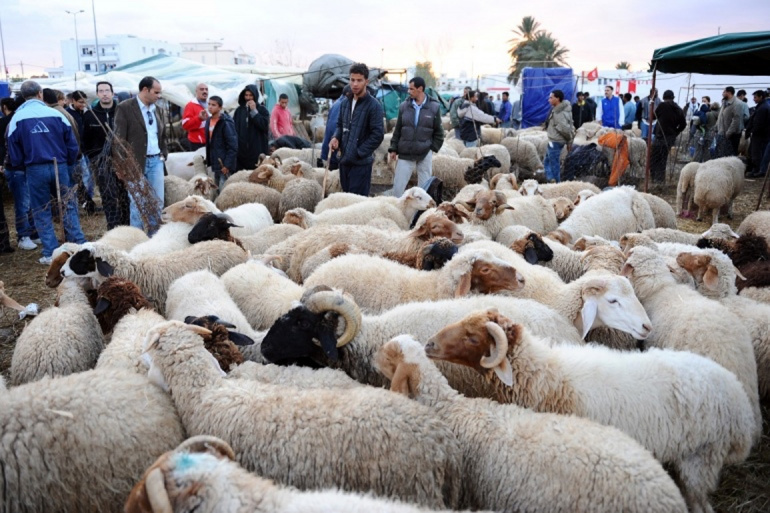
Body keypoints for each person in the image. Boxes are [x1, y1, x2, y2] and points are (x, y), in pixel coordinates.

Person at [6, 80, 86, 264]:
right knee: (68, 205)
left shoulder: (18, 118)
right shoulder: (56, 114)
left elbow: (13, 149)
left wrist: (21, 166)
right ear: (40, 94)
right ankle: (79, 244)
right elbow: (72, 143)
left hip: (34, 168)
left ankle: (51, 251)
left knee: (41, 209)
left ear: (23, 96)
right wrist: (68, 162)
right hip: (61, 165)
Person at [113, 75, 167, 234]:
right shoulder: (125, 108)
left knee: (157, 202)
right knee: (137, 203)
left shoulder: (159, 110)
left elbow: (161, 135)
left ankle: (154, 237)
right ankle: (135, 238)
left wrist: (163, 154)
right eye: (156, 92)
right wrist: (123, 164)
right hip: (134, 163)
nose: (159, 96)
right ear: (145, 90)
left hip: (156, 160)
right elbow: (118, 139)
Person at [329, 62, 384, 196]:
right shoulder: (345, 103)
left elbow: (377, 135)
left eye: (359, 80)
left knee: (357, 204)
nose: (355, 84)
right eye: (352, 80)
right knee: (346, 200)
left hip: (361, 165)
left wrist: (359, 152)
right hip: (344, 162)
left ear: (367, 81)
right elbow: (340, 125)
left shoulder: (374, 106)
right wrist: (335, 137)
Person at [82, 80, 129, 229]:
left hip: (122, 161)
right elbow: (86, 140)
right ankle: (113, 226)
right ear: (97, 94)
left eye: (107, 90)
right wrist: (95, 158)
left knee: (125, 194)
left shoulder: (122, 112)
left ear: (113, 93)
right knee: (108, 195)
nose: (104, 94)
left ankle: (126, 225)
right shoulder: (90, 115)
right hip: (101, 163)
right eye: (101, 91)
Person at [387, 76, 444, 197]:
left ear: (420, 89)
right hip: (405, 151)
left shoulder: (434, 107)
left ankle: (420, 214)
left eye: (411, 89)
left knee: (424, 189)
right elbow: (398, 129)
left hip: (424, 152)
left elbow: (439, 131)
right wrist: (393, 148)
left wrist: (432, 148)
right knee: (398, 187)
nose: (409, 91)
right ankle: (397, 210)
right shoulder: (404, 106)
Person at [1, 96, 39, 250]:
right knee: (23, 203)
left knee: (30, 203)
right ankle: (23, 235)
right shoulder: (14, 122)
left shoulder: (20, 120)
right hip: (17, 168)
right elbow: (9, 148)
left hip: (25, 167)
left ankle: (32, 233)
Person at [650, 90, 686, 182]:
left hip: (660, 136)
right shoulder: (678, 109)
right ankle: (660, 180)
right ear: (673, 97)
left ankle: (654, 179)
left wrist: (651, 105)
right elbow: (683, 124)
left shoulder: (662, 105)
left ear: (664, 97)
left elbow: (653, 117)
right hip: (670, 138)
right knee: (663, 159)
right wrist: (675, 132)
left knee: (654, 158)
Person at [232, 84, 270, 171]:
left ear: (255, 96)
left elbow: (264, 126)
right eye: (246, 95)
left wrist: (254, 111)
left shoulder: (262, 110)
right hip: (242, 152)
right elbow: (234, 129)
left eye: (251, 95)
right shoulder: (239, 111)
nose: (248, 98)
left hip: (257, 150)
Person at [204, 95, 238, 189]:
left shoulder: (226, 122)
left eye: (213, 105)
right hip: (215, 163)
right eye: (209, 104)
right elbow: (210, 143)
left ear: (220, 107)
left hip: (224, 164)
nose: (210, 107)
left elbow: (233, 145)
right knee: (216, 188)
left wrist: (227, 165)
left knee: (224, 190)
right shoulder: (208, 121)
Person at [543, 89, 574, 183]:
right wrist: (569, 141)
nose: (549, 100)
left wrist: (569, 141)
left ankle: (555, 183)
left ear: (558, 99)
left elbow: (565, 128)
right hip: (555, 140)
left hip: (555, 141)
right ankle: (552, 179)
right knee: (548, 161)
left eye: (551, 98)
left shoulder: (558, 112)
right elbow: (570, 124)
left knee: (553, 164)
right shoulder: (563, 109)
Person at [321, 86, 351, 170]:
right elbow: (335, 127)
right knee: (335, 179)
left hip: (331, 148)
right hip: (335, 151)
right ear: (348, 94)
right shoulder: (342, 105)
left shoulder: (337, 103)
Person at [746, 90, 769, 178]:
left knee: (756, 153)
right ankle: (758, 169)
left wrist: (752, 131)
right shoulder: (762, 106)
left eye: (755, 97)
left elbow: (759, 123)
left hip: (759, 135)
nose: (754, 99)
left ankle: (757, 170)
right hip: (761, 135)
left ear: (761, 97)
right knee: (759, 152)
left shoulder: (763, 108)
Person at [181, 83, 209, 150]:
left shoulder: (210, 104)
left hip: (211, 141)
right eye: (201, 89)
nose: (204, 91)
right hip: (197, 143)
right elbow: (185, 125)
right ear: (196, 91)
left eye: (206, 89)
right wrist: (198, 119)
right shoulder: (190, 106)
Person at [716, 86, 742, 157]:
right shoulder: (724, 102)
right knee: (720, 155)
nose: (722, 93)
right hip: (721, 133)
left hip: (731, 136)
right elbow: (720, 116)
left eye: (724, 92)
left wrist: (728, 133)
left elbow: (736, 120)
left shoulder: (737, 104)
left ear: (729, 93)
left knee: (729, 156)